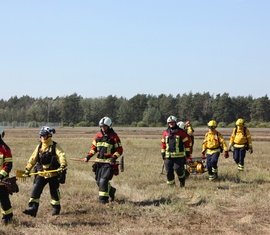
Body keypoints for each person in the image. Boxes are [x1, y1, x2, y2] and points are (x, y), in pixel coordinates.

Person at [23, 126, 67, 217]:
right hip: (41, 173)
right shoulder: (39, 146)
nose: (42, 137)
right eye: (41, 135)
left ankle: (56, 207)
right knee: (35, 190)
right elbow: (33, 159)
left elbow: (62, 155)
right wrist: (27, 169)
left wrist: (62, 165)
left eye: (43, 135)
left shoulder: (55, 146)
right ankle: (33, 209)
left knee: (54, 192)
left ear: (49, 135)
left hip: (53, 174)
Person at [84, 117, 123, 204]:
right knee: (99, 182)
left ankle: (103, 201)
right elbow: (93, 149)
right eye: (101, 126)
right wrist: (88, 157)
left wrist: (114, 157)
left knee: (103, 181)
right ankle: (111, 191)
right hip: (99, 162)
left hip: (109, 163)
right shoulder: (98, 136)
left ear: (109, 126)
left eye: (105, 126)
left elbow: (119, 150)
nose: (103, 128)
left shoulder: (114, 136)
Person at [161, 116, 191, 187]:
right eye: (169, 123)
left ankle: (182, 182)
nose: (171, 124)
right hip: (168, 156)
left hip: (179, 157)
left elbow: (187, 144)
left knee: (178, 170)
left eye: (172, 122)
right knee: (169, 172)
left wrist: (187, 155)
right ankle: (172, 187)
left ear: (175, 123)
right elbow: (163, 143)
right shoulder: (165, 133)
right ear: (168, 123)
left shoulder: (181, 132)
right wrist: (162, 152)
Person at [0, 128, 14, 225]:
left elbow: (8, 164)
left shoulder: (5, 148)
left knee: (4, 200)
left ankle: (8, 217)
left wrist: (1, 175)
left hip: (1, 180)